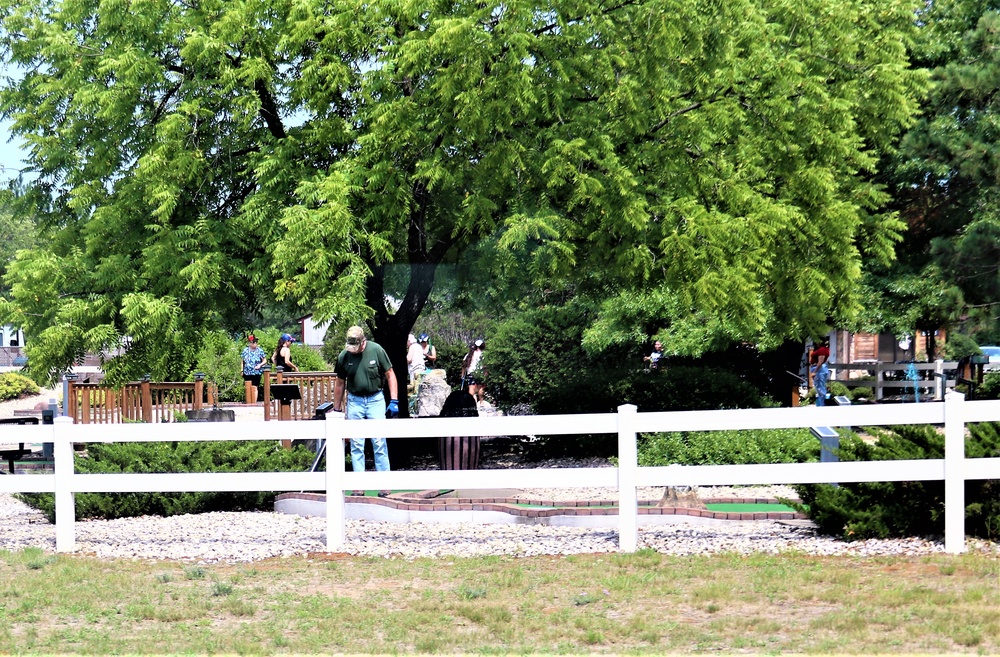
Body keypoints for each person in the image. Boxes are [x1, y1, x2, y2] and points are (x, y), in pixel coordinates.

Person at [332, 326, 399, 482]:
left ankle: (384, 484)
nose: (353, 350)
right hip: (355, 401)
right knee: (356, 444)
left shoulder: (376, 350)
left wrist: (394, 400)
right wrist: (337, 409)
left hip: (375, 399)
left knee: (379, 442)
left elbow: (390, 375)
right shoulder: (344, 356)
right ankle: (358, 485)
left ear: (363, 341)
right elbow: (340, 383)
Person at [240, 334, 267, 403]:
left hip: (256, 372)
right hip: (247, 372)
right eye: (254, 342)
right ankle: (249, 402)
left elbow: (265, 360)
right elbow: (242, 361)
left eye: (256, 342)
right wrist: (242, 370)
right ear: (250, 343)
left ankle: (254, 402)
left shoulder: (260, 350)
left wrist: (260, 365)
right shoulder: (245, 350)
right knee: (248, 387)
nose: (255, 343)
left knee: (255, 387)